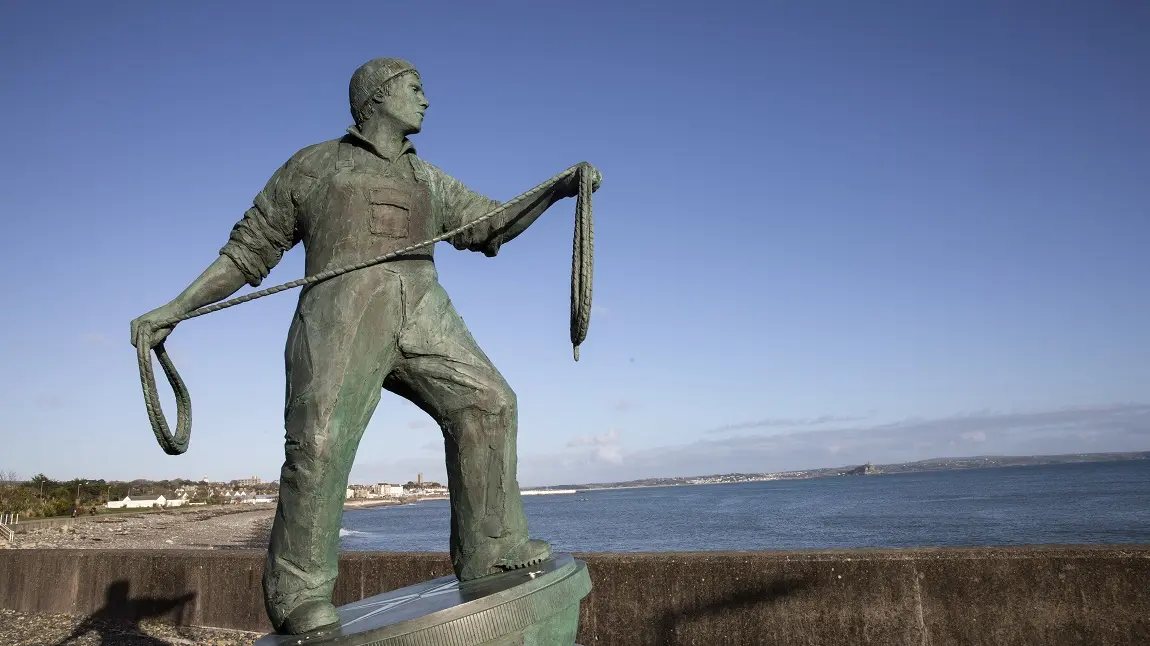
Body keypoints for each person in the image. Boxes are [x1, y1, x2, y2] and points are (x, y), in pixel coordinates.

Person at [130, 58, 600, 635]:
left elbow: (489, 224)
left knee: (489, 403)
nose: (427, 100)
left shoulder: (427, 178)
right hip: (340, 314)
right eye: (416, 89)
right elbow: (248, 252)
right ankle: (298, 593)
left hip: (424, 308)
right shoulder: (314, 165)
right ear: (378, 97)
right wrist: (176, 308)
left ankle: (492, 548)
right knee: (319, 444)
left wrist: (557, 189)